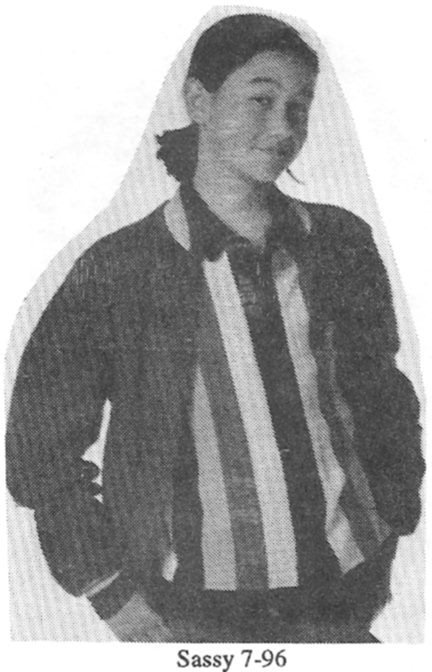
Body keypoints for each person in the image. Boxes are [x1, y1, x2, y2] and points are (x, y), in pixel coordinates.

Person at [6, 13, 424, 643]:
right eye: (260, 99)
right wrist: (109, 589)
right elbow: (39, 447)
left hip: (340, 594)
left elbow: (382, 394)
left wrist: (391, 521)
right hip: (188, 613)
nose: (283, 128)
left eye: (300, 106)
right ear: (199, 100)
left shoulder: (341, 242)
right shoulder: (119, 269)